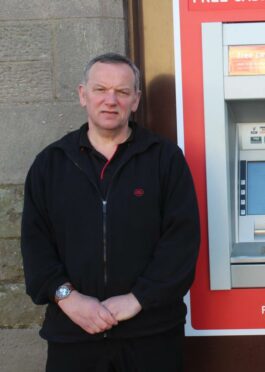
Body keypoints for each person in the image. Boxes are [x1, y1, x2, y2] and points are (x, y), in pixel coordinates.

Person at [21, 52, 200, 371]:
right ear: (82, 95)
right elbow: (36, 246)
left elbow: (181, 243)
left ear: (136, 100)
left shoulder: (165, 159)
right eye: (101, 89)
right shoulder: (51, 164)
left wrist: (137, 299)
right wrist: (68, 298)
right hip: (74, 336)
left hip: (151, 336)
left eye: (122, 91)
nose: (110, 100)